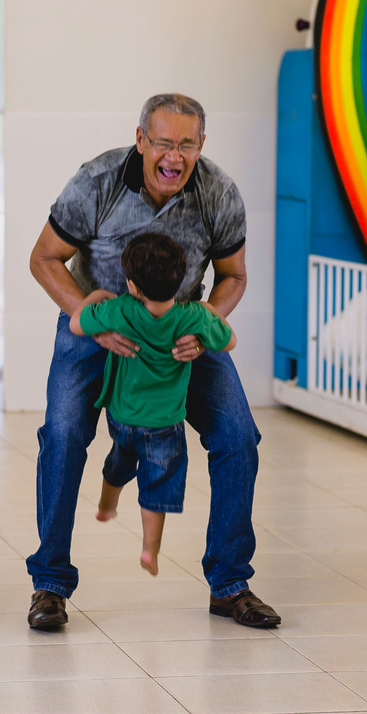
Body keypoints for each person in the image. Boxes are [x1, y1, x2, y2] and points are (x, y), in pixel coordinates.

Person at [25, 93, 280, 631]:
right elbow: (44, 258)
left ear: (201, 146)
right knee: (64, 435)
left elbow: (234, 275)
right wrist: (86, 315)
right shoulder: (96, 182)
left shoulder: (218, 192)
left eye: (187, 144)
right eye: (163, 142)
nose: (174, 155)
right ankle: (49, 585)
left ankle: (230, 583)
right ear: (140, 140)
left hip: (181, 334)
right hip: (99, 329)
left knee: (239, 437)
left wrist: (206, 324)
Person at [69, 232, 236, 576]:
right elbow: (230, 340)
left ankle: (106, 504)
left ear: (132, 285)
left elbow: (76, 323)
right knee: (156, 486)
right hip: (165, 426)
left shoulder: (121, 310)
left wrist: (98, 295)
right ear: (182, 279)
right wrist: (206, 312)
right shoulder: (192, 318)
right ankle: (149, 550)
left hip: (124, 418)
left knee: (120, 459)